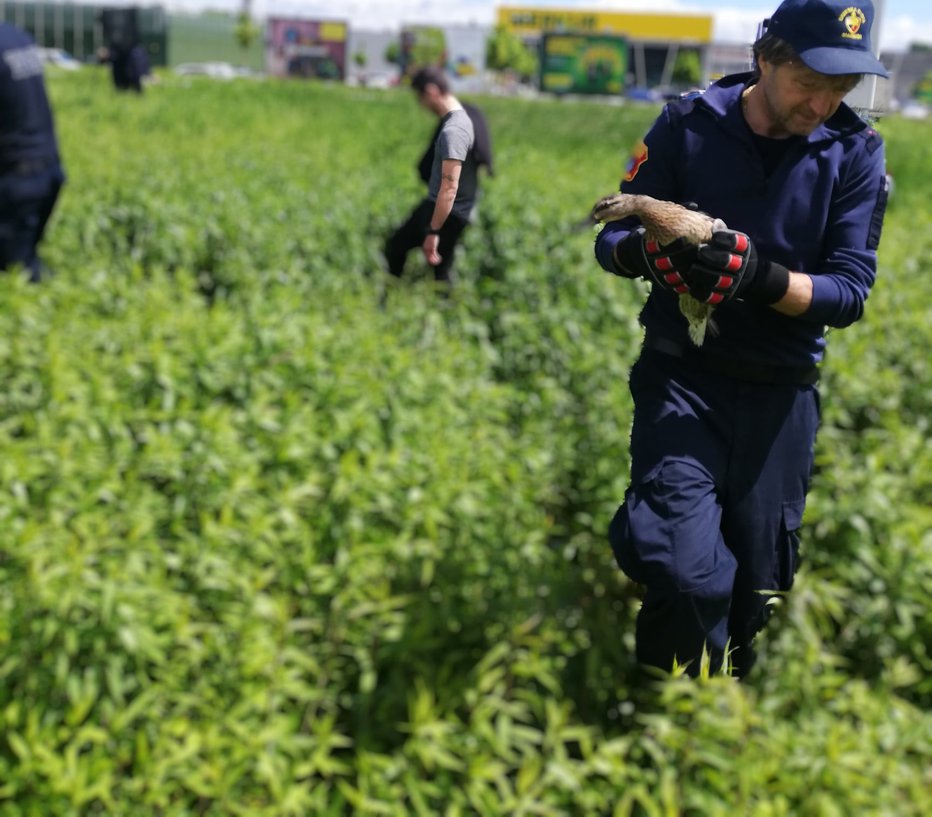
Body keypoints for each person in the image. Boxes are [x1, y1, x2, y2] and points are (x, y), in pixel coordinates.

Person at [593, 0, 889, 678]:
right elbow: (610, 235)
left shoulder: (855, 153)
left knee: (756, 588)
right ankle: (661, 703)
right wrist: (646, 257)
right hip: (683, 379)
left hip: (780, 398)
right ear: (766, 57)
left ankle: (721, 715)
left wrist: (760, 276)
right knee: (686, 569)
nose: (822, 103)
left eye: (841, 88)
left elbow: (847, 292)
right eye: (808, 81)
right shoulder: (688, 124)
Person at [384, 66, 493, 287]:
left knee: (399, 245)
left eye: (420, 98)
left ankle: (391, 297)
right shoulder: (472, 113)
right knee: (441, 265)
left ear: (432, 92)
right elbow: (483, 161)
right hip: (464, 207)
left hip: (447, 208)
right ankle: (440, 308)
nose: (422, 106)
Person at [0, 22, 66, 282]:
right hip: (47, 171)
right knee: (25, 266)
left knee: (15, 278)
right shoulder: (17, 37)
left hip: (16, 185)